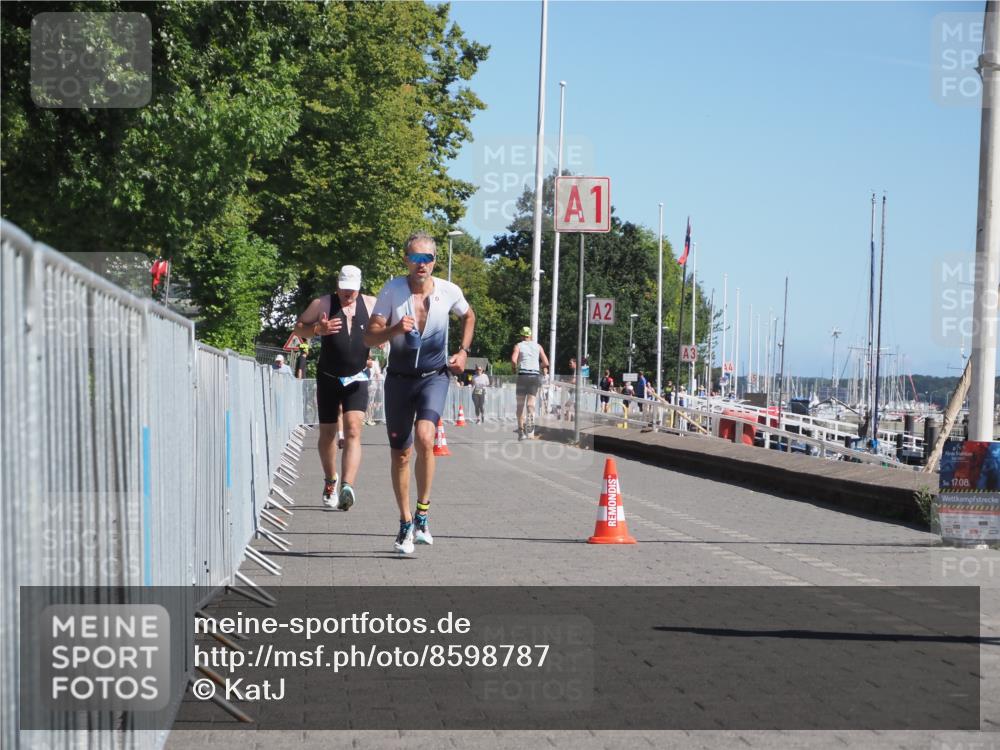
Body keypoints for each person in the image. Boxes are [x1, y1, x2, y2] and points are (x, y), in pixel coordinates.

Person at [364, 233, 476, 555]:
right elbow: (370, 339)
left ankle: (423, 513)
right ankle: (405, 523)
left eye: (427, 259)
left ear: (434, 262)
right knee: (400, 453)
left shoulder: (449, 291)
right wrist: (394, 330)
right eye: (415, 258)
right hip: (398, 380)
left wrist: (464, 351)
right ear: (406, 261)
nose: (421, 264)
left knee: (426, 437)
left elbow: (469, 315)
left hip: (433, 376)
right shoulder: (392, 291)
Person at [293, 265, 376, 511]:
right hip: (328, 376)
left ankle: (347, 486)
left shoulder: (371, 304)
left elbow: (387, 328)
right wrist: (317, 330)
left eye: (351, 290)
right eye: (343, 289)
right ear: (337, 285)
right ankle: (331, 480)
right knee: (328, 434)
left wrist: (383, 339)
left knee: (353, 430)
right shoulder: (322, 304)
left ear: (359, 287)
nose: (347, 294)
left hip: (357, 378)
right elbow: (298, 329)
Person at [511, 326, 550, 440]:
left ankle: (521, 430)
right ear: (530, 336)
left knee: (520, 405)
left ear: (522, 336)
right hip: (534, 376)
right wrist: (538, 366)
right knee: (531, 404)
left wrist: (514, 368)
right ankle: (530, 426)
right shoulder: (538, 346)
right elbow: (546, 362)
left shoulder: (518, 345)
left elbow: (514, 360)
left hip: (523, 376)